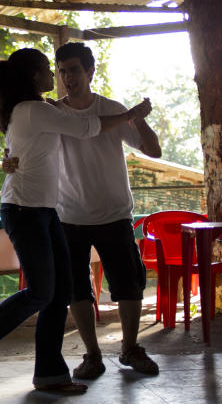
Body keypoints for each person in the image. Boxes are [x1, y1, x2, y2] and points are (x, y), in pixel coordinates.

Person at [0, 48, 151, 393]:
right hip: (26, 210)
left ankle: (50, 375)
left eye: (68, 70)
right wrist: (129, 115)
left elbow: (18, 151)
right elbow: (87, 128)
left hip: (45, 210)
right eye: (53, 70)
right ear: (36, 77)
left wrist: (10, 161)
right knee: (43, 291)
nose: (59, 77)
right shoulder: (36, 110)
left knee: (58, 293)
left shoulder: (37, 110)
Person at [51, 42, 161, 379]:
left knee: (128, 284)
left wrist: (137, 119)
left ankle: (130, 348)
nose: (68, 77)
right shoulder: (53, 114)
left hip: (114, 214)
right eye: (63, 71)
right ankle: (93, 355)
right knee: (76, 289)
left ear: (89, 72)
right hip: (69, 216)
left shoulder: (114, 109)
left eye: (74, 70)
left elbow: (153, 150)